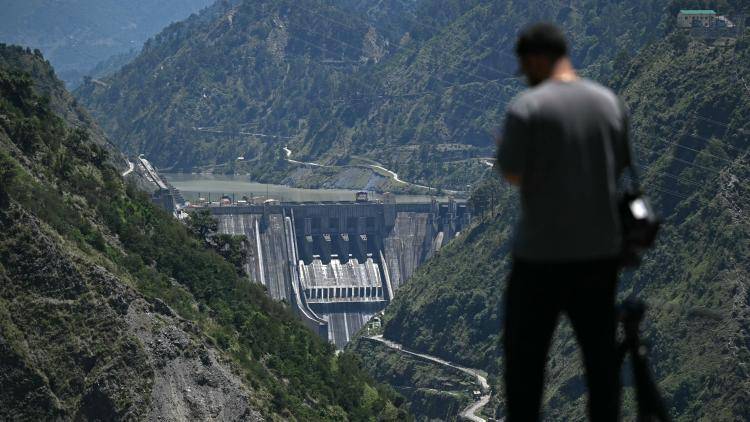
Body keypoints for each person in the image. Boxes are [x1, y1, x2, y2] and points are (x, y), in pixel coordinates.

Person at [497, 22, 631, 421]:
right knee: (601, 361)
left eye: (525, 68)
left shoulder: (527, 108)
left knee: (525, 364)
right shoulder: (611, 103)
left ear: (536, 59)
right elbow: (620, 168)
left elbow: (512, 173)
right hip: (599, 256)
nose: (526, 77)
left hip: (540, 257)